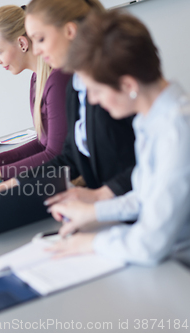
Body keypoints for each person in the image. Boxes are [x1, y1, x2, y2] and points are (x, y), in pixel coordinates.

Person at [47, 10, 190, 266]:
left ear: (128, 86)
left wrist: (90, 243)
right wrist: (93, 212)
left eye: (96, 90)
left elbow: (150, 244)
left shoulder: (177, 131)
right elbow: (146, 196)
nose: (92, 100)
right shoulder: (150, 120)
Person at [0, 0, 136, 205]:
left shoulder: (73, 83)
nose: (36, 50)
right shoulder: (77, 87)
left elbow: (132, 171)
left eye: (40, 39)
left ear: (70, 32)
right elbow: (67, 157)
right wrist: (0, 179)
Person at [0, 4, 71, 188]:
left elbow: (55, 155)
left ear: (22, 43)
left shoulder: (57, 79)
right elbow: (43, 143)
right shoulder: (37, 78)